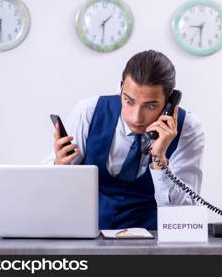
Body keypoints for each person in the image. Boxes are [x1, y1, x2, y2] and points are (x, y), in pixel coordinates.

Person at [42, 50, 205, 230]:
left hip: (153, 241)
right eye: (129, 101)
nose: (136, 117)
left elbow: (184, 216)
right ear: (120, 88)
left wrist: (160, 159)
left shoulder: (188, 129)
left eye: (150, 105)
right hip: (87, 234)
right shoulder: (88, 112)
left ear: (169, 102)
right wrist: (59, 168)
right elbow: (47, 191)